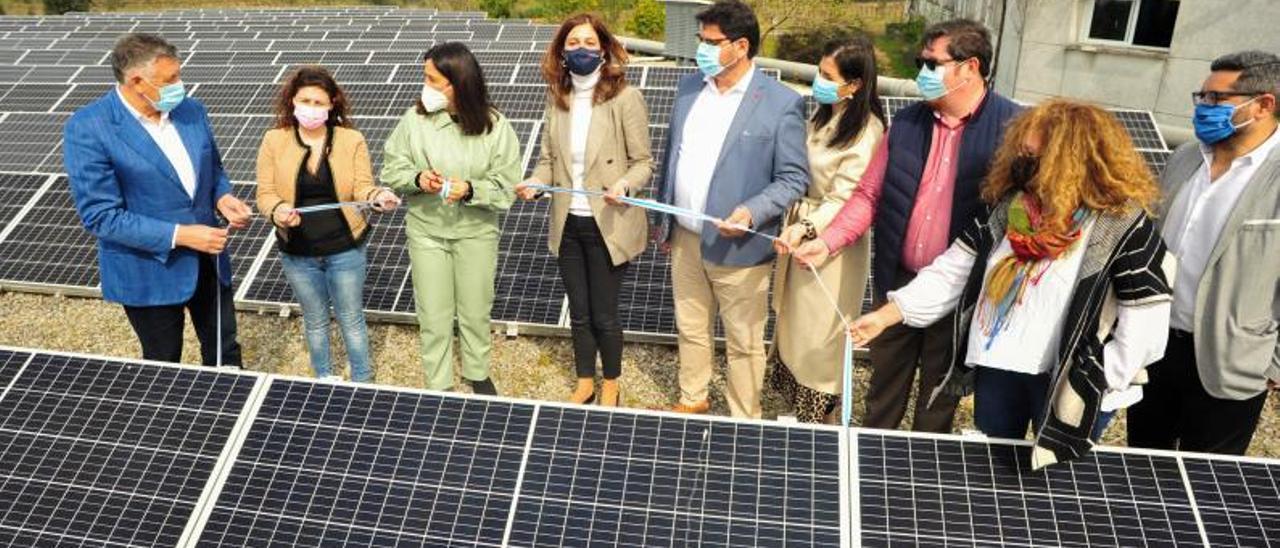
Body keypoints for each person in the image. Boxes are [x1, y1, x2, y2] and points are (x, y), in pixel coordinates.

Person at [848, 100, 1174, 468]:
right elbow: (953, 271)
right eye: (1022, 152)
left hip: (1073, 383)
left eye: (1034, 157)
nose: (1023, 164)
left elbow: (1145, 320)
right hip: (1000, 370)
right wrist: (889, 314)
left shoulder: (1122, 225)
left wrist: (1100, 378)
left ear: (1072, 161)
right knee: (998, 474)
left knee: (1062, 484)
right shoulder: (1008, 209)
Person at [794, 19, 1021, 433]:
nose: (922, 72)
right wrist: (826, 243)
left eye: (931, 63)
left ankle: (918, 484)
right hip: (897, 280)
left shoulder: (1012, 130)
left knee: (938, 397)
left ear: (969, 67)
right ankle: (873, 470)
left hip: (961, 292)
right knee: (883, 390)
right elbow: (868, 196)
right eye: (921, 61)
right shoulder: (908, 124)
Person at [653, 0, 810, 419]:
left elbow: (794, 178)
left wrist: (750, 212)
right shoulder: (690, 89)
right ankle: (693, 397)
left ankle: (744, 417)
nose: (701, 49)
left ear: (741, 46)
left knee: (743, 341)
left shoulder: (780, 103)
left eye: (711, 42)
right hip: (686, 237)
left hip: (739, 249)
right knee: (690, 326)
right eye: (701, 40)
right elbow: (674, 155)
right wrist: (665, 221)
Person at [65, 33, 251, 366]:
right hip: (148, 268)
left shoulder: (191, 110)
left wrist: (222, 196)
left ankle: (227, 413)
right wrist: (180, 234)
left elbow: (213, 167)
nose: (180, 85)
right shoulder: (90, 127)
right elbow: (101, 215)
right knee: (163, 364)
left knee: (226, 352)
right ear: (136, 81)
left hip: (209, 260)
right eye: (171, 79)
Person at [1129, 51, 1280, 455]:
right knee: (1142, 461)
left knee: (1205, 481)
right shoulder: (1184, 158)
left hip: (1229, 361)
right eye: (1201, 97)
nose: (1203, 109)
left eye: (1216, 100)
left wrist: (1271, 363)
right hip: (1155, 346)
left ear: (1264, 105)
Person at [514, 14, 653, 407]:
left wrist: (625, 184)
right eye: (573, 43)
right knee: (578, 311)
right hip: (568, 222)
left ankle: (611, 381)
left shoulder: (625, 98)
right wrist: (537, 183)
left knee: (604, 313)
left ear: (604, 49)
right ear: (561, 52)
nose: (581, 50)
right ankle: (584, 381)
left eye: (590, 43)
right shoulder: (557, 98)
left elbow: (643, 161)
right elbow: (547, 160)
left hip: (609, 221)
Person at [380, 42, 521, 395]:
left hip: (476, 232)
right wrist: (416, 179)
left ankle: (477, 371)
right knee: (433, 313)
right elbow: (393, 166)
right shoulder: (414, 120)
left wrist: (471, 190)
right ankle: (438, 382)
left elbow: (506, 186)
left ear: (458, 83)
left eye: (432, 79)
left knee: (475, 309)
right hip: (427, 231)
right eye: (425, 77)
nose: (425, 86)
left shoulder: (496, 126)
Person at [255, 66, 401, 383]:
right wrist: (278, 210)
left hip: (345, 248)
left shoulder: (351, 140)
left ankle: (363, 381)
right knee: (316, 320)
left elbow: (362, 187)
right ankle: (324, 378)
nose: (311, 108)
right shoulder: (274, 140)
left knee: (351, 318)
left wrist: (378, 195)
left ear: (332, 103)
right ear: (292, 100)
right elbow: (264, 193)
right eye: (305, 100)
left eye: (319, 102)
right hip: (297, 250)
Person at [769, 36, 885, 423]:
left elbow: (845, 198)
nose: (817, 80)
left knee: (821, 333)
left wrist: (805, 227)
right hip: (801, 228)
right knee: (794, 324)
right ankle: (797, 409)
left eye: (826, 74)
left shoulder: (866, 132)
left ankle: (822, 415)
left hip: (831, 244)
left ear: (853, 85)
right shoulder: (824, 115)